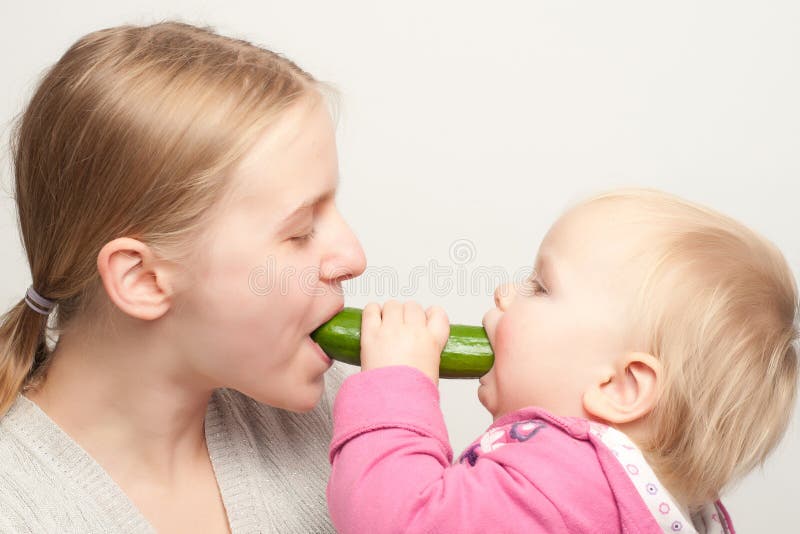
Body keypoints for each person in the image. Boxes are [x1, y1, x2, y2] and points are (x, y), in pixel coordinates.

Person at [0, 20, 366, 533]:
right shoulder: (20, 512)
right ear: (144, 280)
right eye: (301, 231)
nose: (354, 255)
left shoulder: (339, 417)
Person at [327, 189, 798, 533]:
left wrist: (397, 383)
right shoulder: (646, 505)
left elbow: (397, 522)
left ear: (621, 386)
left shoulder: (565, 485)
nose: (505, 293)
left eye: (541, 287)